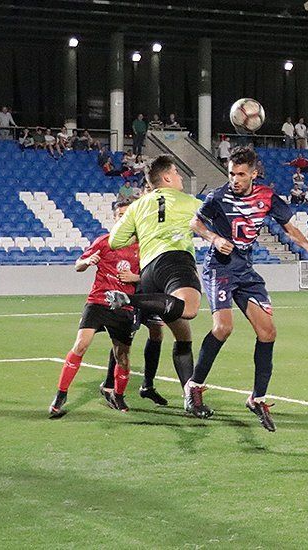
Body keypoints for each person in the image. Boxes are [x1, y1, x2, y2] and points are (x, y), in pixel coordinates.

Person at [188, 146, 308, 431]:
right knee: (223, 328)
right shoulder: (218, 197)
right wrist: (212, 238)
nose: (234, 179)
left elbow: (289, 228)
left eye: (241, 174)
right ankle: (194, 386)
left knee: (268, 332)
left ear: (254, 173)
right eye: (232, 173)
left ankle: (257, 398)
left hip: (245, 270)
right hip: (219, 268)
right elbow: (195, 222)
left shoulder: (267, 197)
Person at [104, 155, 205, 418]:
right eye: (178, 173)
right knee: (191, 308)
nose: (181, 178)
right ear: (168, 177)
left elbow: (115, 240)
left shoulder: (138, 206)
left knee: (183, 334)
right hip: (175, 262)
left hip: (148, 273)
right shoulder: (189, 202)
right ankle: (129, 301)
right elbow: (213, 222)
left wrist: (145, 231)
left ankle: (190, 397)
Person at [49, 199, 141, 418]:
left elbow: (151, 277)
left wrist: (135, 277)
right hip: (98, 302)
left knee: (123, 357)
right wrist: (88, 260)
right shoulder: (104, 241)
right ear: (115, 218)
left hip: (124, 305)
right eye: (119, 215)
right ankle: (61, 394)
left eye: (127, 215)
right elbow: (78, 265)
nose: (123, 218)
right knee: (81, 344)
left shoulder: (143, 248)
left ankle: (117, 395)